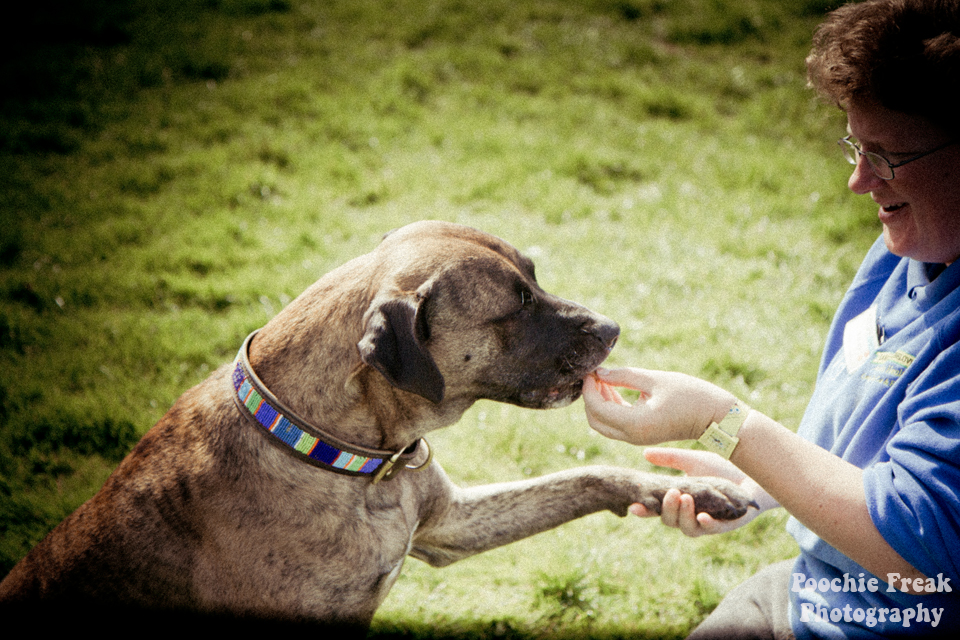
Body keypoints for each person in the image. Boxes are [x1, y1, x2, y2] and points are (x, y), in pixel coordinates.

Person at [581, 0, 960, 637]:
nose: (860, 182)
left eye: (888, 154)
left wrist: (724, 424)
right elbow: (883, 456)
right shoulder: (914, 245)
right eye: (855, 146)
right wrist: (760, 483)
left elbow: (928, 561)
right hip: (815, 593)